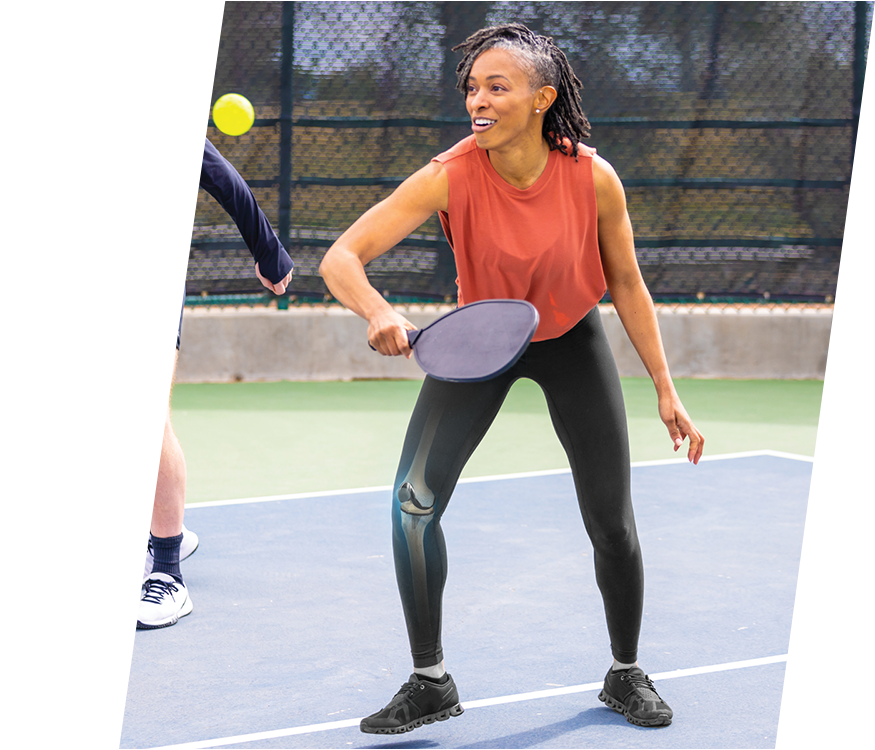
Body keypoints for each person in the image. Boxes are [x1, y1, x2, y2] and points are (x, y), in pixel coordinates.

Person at [320, 23, 704, 733]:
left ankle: (625, 672)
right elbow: (341, 257)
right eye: (471, 87)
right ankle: (429, 680)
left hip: (571, 340)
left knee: (611, 523)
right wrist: (376, 310)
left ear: (541, 98)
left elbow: (626, 283)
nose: (479, 100)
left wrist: (664, 386)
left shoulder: (591, 177)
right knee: (411, 507)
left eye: (497, 86)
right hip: (481, 343)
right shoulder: (448, 173)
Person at [119, 81, 293, 629]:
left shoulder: (134, 111)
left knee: (143, 415)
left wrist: (266, 247)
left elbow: (213, 168)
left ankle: (169, 576)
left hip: (143, 270)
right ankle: (159, 530)